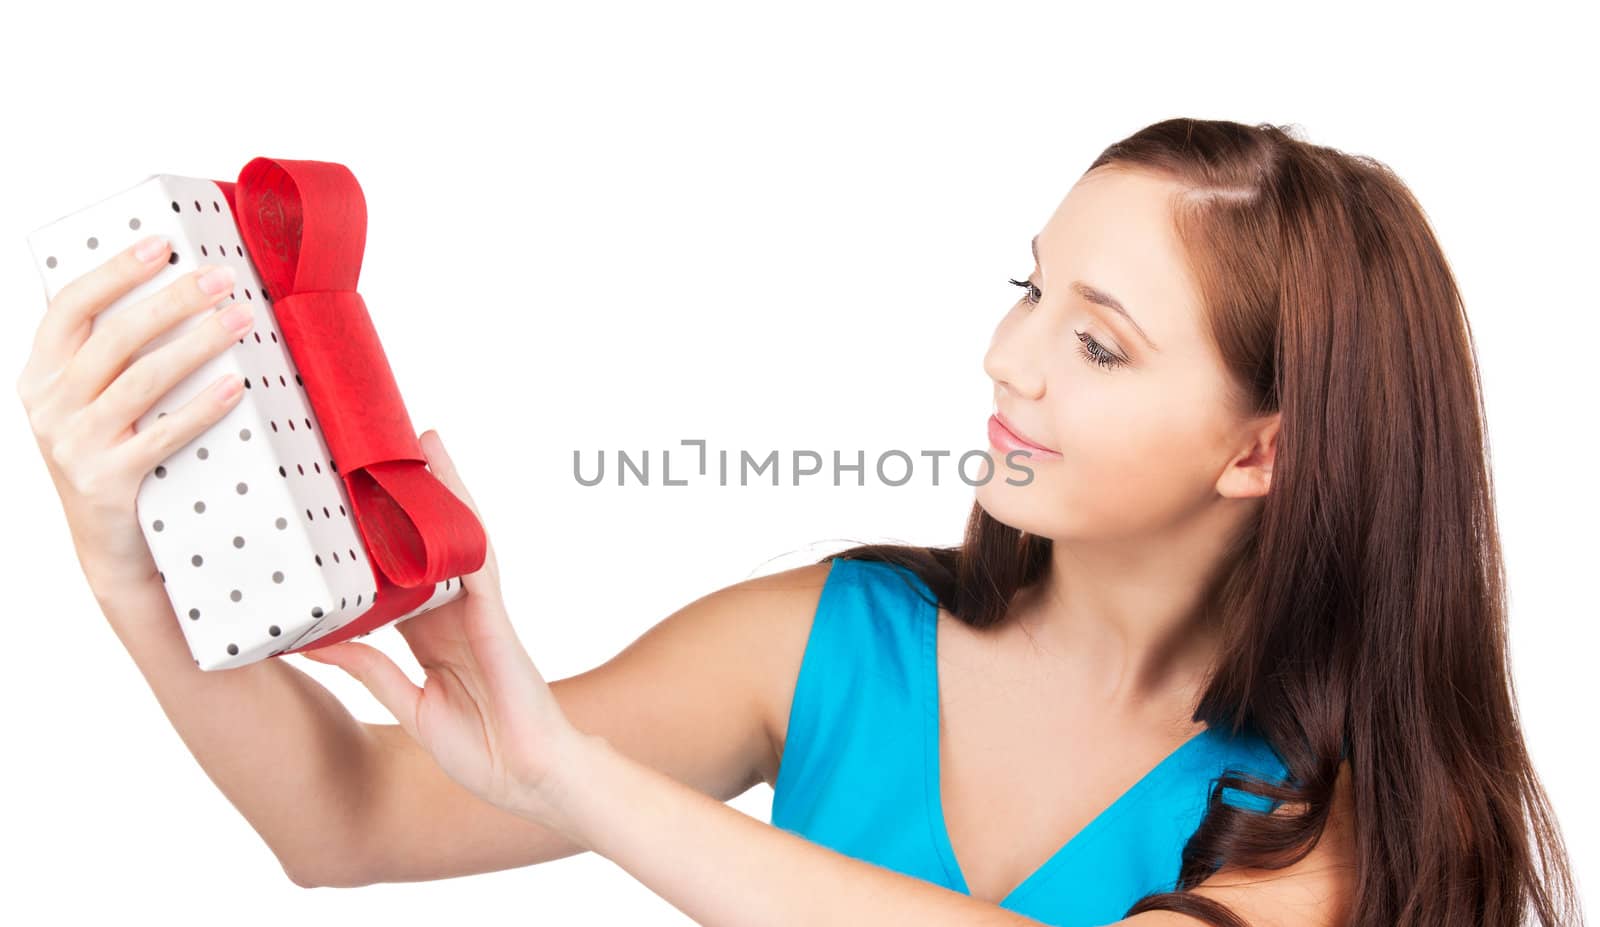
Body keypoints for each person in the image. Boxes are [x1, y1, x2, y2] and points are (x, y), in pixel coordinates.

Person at [16, 117, 1583, 927]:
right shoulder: (832, 644)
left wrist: (571, 777)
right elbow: (347, 823)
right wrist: (126, 565)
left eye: (1098, 342)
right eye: (1029, 287)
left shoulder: (1345, 819)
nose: (1008, 359)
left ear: (1260, 453)